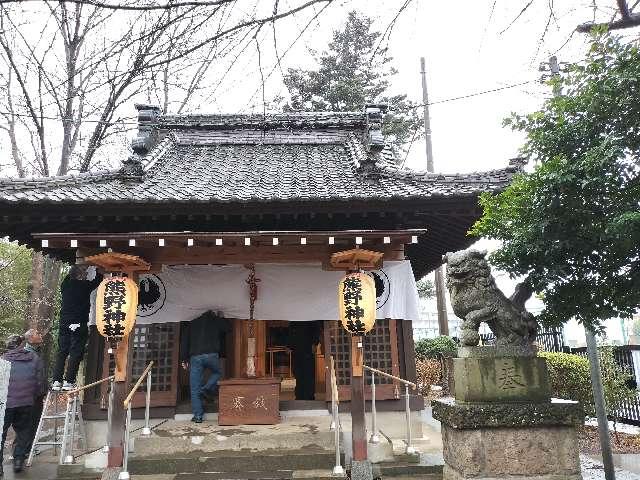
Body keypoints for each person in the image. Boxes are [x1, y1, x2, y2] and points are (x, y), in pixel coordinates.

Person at [51, 265, 103, 391]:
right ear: (79, 275)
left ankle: (57, 381)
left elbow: (69, 277)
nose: (86, 275)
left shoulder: (65, 286)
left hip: (64, 322)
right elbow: (97, 281)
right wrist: (99, 270)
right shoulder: (84, 286)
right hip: (79, 323)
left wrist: (77, 269)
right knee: (75, 352)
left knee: (62, 351)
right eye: (84, 274)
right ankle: (69, 381)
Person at [1, 334, 45, 476]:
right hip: (26, 402)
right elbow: (40, 382)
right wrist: (35, 396)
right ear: (21, 345)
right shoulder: (34, 358)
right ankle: (18, 460)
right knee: (23, 431)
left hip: (6, 404)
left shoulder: (2, 360)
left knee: (1, 434)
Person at [180, 311, 230, 423]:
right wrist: (222, 318)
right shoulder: (216, 320)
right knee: (218, 373)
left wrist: (184, 359)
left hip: (195, 357)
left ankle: (198, 416)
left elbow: (185, 342)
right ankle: (206, 389)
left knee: (194, 388)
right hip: (212, 355)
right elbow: (228, 329)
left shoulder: (192, 323)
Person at [22, 329, 45, 456]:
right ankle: (22, 450)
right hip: (30, 394)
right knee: (28, 422)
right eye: (37, 334)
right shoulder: (27, 354)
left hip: (36, 394)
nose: (40, 335)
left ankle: (27, 448)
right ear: (30, 339)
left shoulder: (36, 352)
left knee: (33, 421)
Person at [288, 321, 322, 401]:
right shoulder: (294, 319)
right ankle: (299, 395)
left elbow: (316, 330)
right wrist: (289, 345)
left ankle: (309, 395)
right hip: (297, 349)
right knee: (298, 373)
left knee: (308, 373)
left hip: (308, 348)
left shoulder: (311, 317)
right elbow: (291, 331)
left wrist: (315, 343)